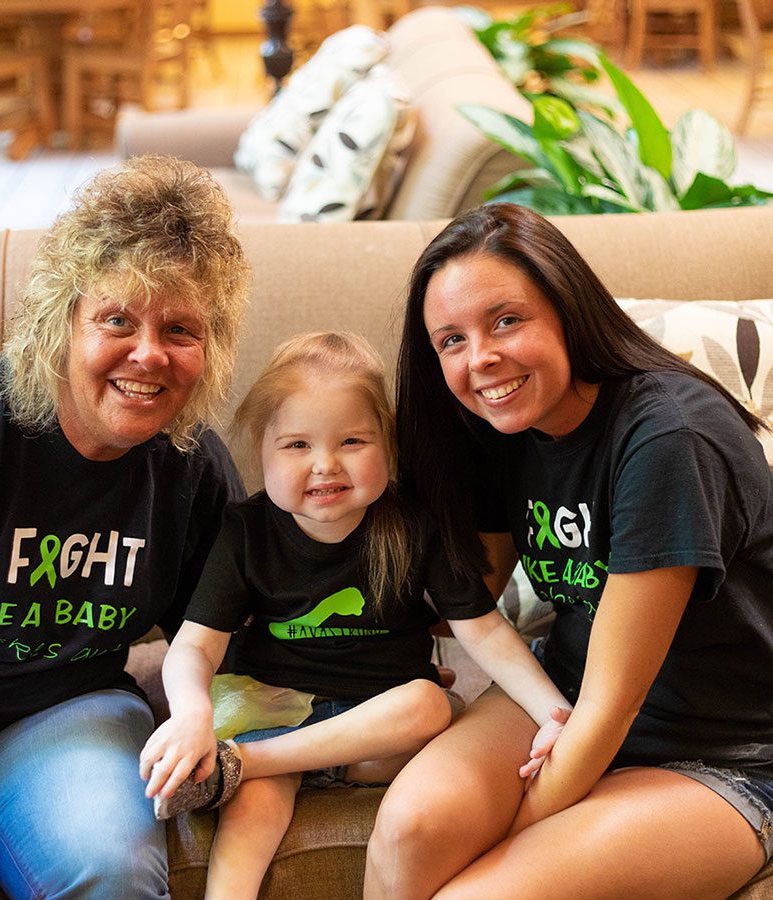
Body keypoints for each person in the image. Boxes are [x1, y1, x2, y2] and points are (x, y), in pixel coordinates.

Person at [363, 202, 773, 898]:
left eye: (505, 320)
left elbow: (616, 703)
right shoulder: (505, 430)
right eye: (451, 341)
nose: (480, 359)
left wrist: (513, 834)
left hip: (724, 751)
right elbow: (468, 600)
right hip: (561, 696)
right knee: (409, 832)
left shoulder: (668, 437)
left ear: (567, 307)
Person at [0, 155, 251, 900]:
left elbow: (236, 639)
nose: (148, 354)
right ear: (63, 323)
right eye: (117, 319)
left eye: (179, 328)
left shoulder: (190, 466)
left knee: (111, 867)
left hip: (70, 713)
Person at [138, 330, 572, 900]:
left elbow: (484, 628)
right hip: (277, 702)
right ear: (260, 451)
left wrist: (554, 712)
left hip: (379, 718)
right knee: (256, 807)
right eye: (296, 445)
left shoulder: (413, 524)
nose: (325, 465)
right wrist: (190, 711)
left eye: (352, 441)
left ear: (387, 450)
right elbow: (196, 645)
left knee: (430, 704)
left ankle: (247, 762)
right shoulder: (246, 530)